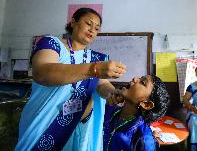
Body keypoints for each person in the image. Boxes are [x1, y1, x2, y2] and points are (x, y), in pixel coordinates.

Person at [15, 8, 127, 151]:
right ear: (73, 22)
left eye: (97, 28)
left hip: (79, 128)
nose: (92, 30)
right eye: (88, 23)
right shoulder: (51, 43)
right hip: (43, 123)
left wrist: (112, 93)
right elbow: (42, 73)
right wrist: (95, 69)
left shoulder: (96, 58)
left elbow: (101, 84)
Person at [103, 75, 170, 151]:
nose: (134, 79)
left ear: (146, 104)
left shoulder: (144, 138)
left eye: (142, 82)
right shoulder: (110, 111)